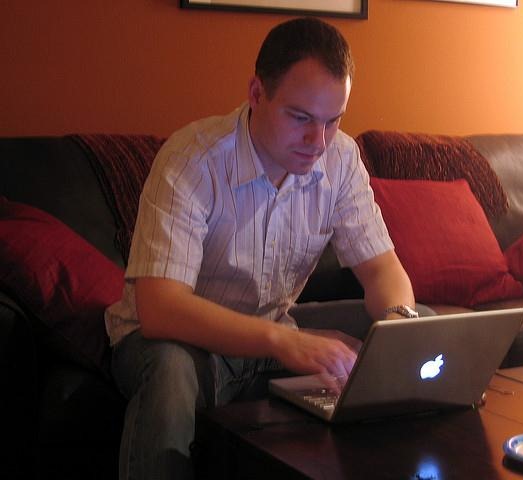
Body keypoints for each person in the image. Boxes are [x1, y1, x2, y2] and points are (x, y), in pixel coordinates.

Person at [105, 16, 433, 480]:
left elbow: (382, 270)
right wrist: (286, 342)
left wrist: (398, 328)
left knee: (422, 328)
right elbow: (161, 309)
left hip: (271, 338)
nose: (318, 141)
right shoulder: (193, 159)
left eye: (333, 120)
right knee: (170, 370)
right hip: (174, 342)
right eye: (300, 118)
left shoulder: (340, 160)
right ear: (257, 93)